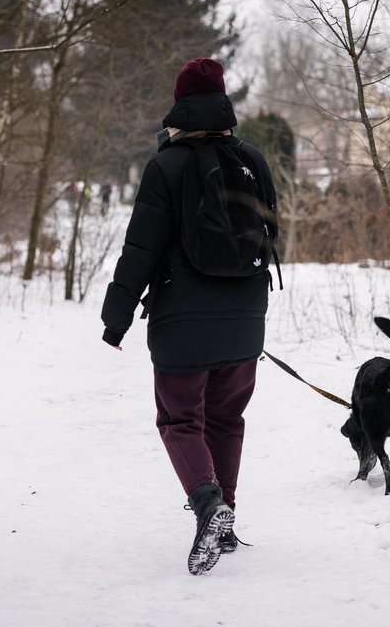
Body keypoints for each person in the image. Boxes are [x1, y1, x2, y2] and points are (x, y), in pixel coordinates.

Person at [100, 58, 276, 575]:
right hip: (246, 316)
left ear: (180, 105)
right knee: (227, 418)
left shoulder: (166, 166)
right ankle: (226, 516)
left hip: (181, 320)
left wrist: (117, 317)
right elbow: (269, 238)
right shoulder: (255, 160)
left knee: (181, 420)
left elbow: (141, 249)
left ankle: (208, 506)